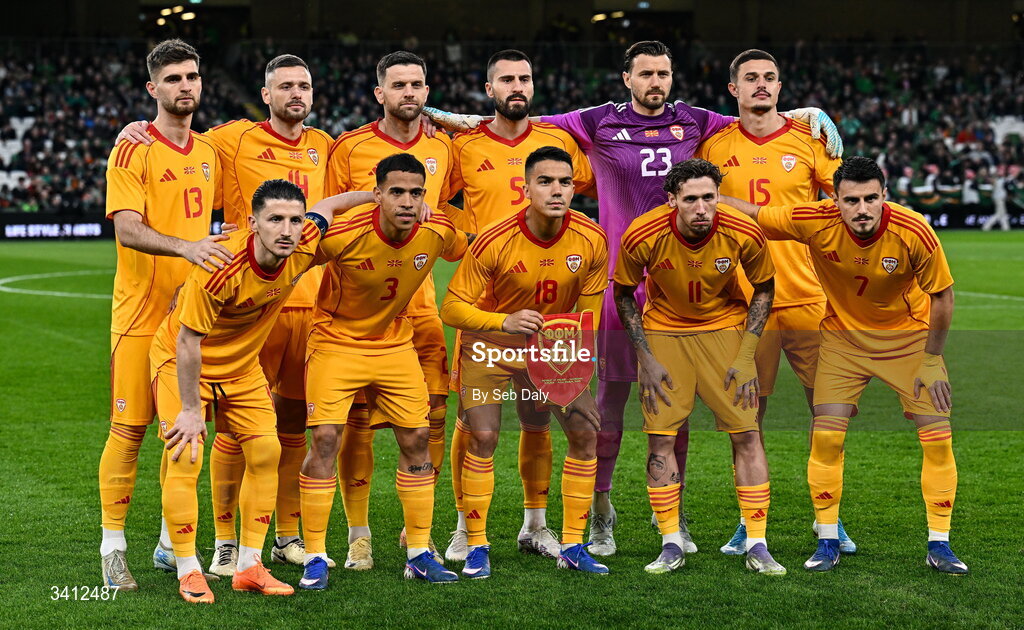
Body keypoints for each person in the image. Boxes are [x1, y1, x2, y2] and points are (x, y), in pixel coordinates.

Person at [427, 39, 842, 555]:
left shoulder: (695, 121)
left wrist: (806, 111)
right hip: (617, 281)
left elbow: (755, 114)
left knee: (675, 405)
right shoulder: (597, 120)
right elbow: (524, 122)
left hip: (677, 287)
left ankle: (674, 513)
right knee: (610, 401)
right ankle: (601, 510)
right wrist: (459, 119)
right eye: (645, 73)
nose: (656, 82)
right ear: (627, 78)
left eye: (664, 73)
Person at [116, 53, 337, 575]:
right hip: (240, 298)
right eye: (284, 86)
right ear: (266, 94)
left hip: (306, 301)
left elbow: (341, 203)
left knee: (288, 432)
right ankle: (221, 543)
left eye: (304, 85)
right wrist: (136, 127)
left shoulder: (328, 145)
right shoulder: (230, 138)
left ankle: (284, 537)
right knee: (230, 431)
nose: (296, 95)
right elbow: (174, 136)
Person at [723, 156, 966, 574]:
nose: (863, 209)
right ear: (834, 200)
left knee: (937, 435)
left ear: (884, 195)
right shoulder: (814, 219)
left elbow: (942, 296)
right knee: (827, 439)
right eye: (851, 200)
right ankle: (828, 537)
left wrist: (930, 359)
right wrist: (704, 202)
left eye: (871, 198)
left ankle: (940, 544)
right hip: (842, 342)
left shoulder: (914, 231)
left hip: (908, 341)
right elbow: (756, 213)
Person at [148, 180, 371, 603]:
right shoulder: (222, 265)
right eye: (274, 220)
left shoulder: (303, 243)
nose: (286, 229)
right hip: (183, 362)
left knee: (267, 452)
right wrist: (192, 410)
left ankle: (250, 565)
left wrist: (374, 196)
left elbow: (329, 204)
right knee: (186, 450)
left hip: (241, 365)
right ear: (253, 224)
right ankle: (188, 569)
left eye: (293, 219)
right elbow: (187, 341)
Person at [696, 49, 855, 554]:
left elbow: (844, 204)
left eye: (769, 78)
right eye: (750, 79)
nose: (761, 85)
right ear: (733, 91)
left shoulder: (810, 140)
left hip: (809, 296)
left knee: (827, 412)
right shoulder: (713, 143)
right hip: (743, 305)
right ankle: (750, 520)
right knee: (748, 418)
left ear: (781, 88)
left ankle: (828, 519)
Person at [443, 49, 596, 563]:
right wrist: (464, 234)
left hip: (549, 317)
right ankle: (467, 528)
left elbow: (601, 183)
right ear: (489, 89)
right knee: (475, 426)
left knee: (536, 421)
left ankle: (536, 524)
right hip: (487, 309)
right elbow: (432, 199)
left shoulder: (559, 144)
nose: (517, 85)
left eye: (524, 77)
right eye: (506, 78)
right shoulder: (464, 146)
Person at [298, 154, 467, 588]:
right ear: (377, 195)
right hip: (335, 341)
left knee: (417, 437)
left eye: (415, 193)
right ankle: (315, 554)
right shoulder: (344, 233)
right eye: (396, 192)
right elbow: (288, 255)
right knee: (326, 438)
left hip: (394, 342)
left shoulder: (436, 230)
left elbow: (470, 244)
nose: (407, 201)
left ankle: (418, 552)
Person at [100, 38, 231, 590]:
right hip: (138, 315)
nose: (185, 86)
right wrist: (187, 247)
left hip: (190, 320)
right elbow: (126, 226)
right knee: (129, 430)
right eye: (173, 78)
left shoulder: (209, 153)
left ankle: (164, 543)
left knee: (186, 435)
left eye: (192, 76)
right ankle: (112, 546)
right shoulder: (132, 149)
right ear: (153, 88)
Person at [613, 158, 785, 575]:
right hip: (664, 333)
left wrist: (746, 355)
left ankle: (757, 543)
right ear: (672, 200)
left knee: (747, 434)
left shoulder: (743, 231)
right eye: (691, 199)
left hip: (725, 330)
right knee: (660, 441)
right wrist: (646, 358)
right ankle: (671, 541)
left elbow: (764, 288)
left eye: (710, 197)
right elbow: (622, 294)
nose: (702, 208)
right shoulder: (643, 234)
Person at [324, 52, 454, 569]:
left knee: (433, 417)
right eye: (398, 84)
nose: (409, 92)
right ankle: (359, 533)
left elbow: (452, 210)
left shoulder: (445, 147)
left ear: (427, 90)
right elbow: (328, 216)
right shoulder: (350, 147)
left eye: (417, 84)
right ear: (379, 92)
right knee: (355, 423)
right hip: (357, 310)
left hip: (419, 307)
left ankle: (413, 530)